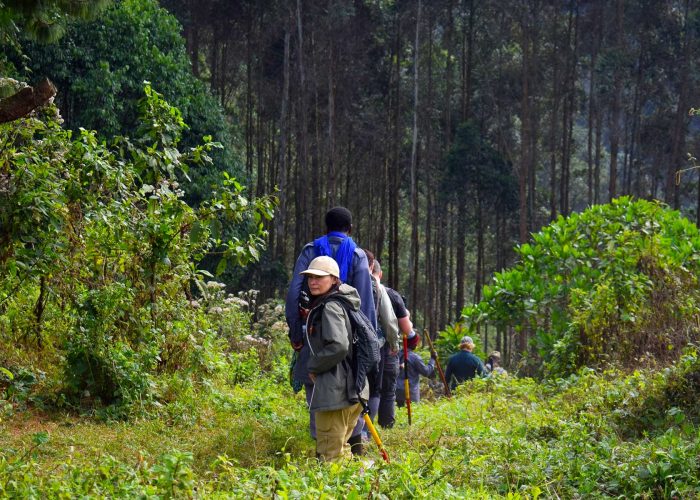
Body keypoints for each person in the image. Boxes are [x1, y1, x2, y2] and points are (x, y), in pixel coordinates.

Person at [285, 207, 376, 444]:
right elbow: (364, 302)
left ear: (326, 227)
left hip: (313, 332)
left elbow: (295, 292)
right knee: (351, 388)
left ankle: (322, 449)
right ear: (351, 228)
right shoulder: (357, 255)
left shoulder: (310, 251)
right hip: (350, 338)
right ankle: (353, 447)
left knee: (313, 387)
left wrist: (296, 331)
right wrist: (368, 342)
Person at [300, 256, 368, 462]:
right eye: (311, 277)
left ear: (334, 279)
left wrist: (313, 366)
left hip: (336, 392)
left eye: (320, 277)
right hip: (354, 388)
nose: (313, 281)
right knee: (341, 450)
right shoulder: (345, 301)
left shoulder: (330, 306)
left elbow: (339, 345)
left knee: (329, 456)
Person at [363, 253, 399, 429]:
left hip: (347, 343)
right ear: (372, 266)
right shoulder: (377, 286)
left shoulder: (343, 280)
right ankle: (365, 432)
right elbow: (389, 319)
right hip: (374, 344)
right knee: (375, 388)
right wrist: (393, 343)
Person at [395, 331, 436, 406]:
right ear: (413, 344)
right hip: (411, 393)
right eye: (416, 342)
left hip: (397, 391)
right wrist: (432, 359)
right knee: (412, 413)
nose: (416, 344)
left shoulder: (396, 354)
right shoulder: (415, 358)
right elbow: (426, 372)